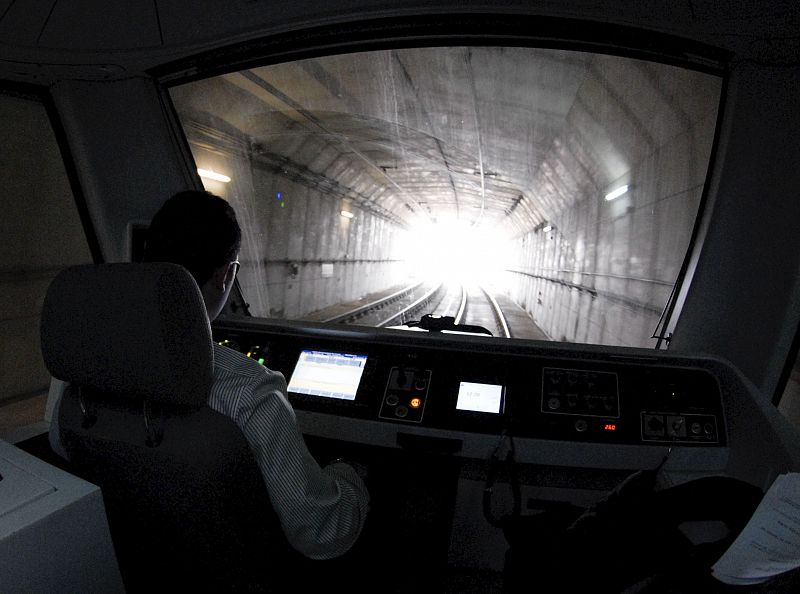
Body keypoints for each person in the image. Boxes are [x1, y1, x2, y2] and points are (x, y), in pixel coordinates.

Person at [141, 190, 370, 562]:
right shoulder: (248, 389)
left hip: (144, 555)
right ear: (226, 274)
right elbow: (321, 531)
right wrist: (350, 476)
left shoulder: (86, 361)